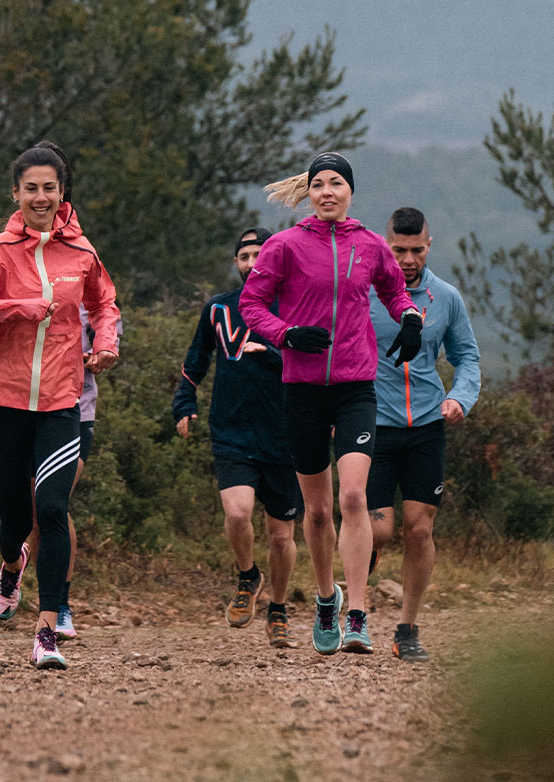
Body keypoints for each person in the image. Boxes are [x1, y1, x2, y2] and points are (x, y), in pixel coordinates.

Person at [240, 152, 422, 655]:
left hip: (355, 386)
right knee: (318, 511)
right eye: (318, 184)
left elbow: (394, 290)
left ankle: (359, 615)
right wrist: (286, 334)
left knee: (353, 498)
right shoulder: (285, 247)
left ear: (350, 192)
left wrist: (409, 318)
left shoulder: (370, 246)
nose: (326, 191)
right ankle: (326, 599)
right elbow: (251, 306)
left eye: (335, 183)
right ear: (310, 193)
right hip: (301, 390)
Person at [0, 141, 120, 670]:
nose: (41, 197)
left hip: (60, 402)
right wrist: (16, 307)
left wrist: (107, 342)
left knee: (52, 509)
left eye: (50, 188)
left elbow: (104, 304)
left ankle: (47, 629)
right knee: (14, 520)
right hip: (3, 400)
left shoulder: (83, 253)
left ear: (62, 192)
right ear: (16, 194)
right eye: (31, 189)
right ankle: (10, 562)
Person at [0, 304, 122, 642]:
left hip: (74, 411)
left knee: (52, 505)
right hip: (18, 411)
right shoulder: (9, 290)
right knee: (28, 513)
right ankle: (13, 563)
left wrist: (99, 354)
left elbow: (107, 330)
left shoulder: (79, 286)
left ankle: (58, 608)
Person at [173, 227, 301, 648]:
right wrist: (184, 402)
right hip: (230, 430)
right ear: (236, 262)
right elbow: (196, 360)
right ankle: (248, 576)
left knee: (282, 536)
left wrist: (274, 356)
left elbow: (317, 359)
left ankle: (278, 609)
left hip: (284, 434)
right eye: (244, 256)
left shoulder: (296, 306)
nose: (251, 263)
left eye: (259, 255)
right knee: (237, 514)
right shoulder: (218, 309)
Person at [367, 207, 480, 662]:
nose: (408, 259)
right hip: (371, 424)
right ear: (384, 245)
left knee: (418, 530)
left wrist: (460, 397)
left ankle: (407, 629)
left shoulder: (446, 297)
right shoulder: (365, 292)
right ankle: (357, 580)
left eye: (416, 250)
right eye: (399, 250)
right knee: (378, 530)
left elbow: (467, 356)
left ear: (429, 246)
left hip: (427, 425)